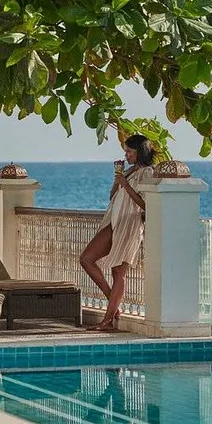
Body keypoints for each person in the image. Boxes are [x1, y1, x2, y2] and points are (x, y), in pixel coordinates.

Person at [79, 135, 156, 331]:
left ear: (140, 152)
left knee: (118, 272)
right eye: (126, 151)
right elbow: (112, 197)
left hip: (130, 224)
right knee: (86, 259)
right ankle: (112, 303)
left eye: (129, 151)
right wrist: (118, 179)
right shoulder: (130, 171)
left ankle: (107, 320)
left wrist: (126, 184)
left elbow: (146, 204)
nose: (126, 154)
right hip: (114, 222)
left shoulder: (147, 172)